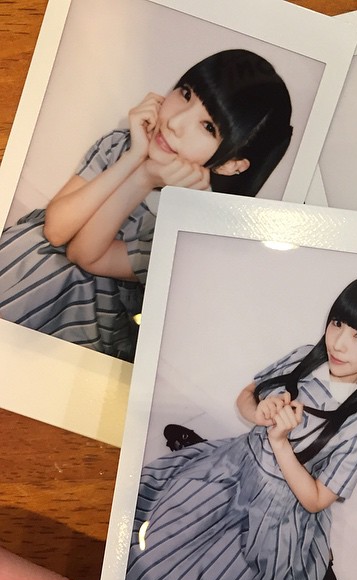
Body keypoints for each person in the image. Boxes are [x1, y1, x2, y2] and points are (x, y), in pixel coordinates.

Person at [125, 274, 357, 580]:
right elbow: (246, 396)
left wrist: (280, 444)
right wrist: (259, 414)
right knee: (151, 535)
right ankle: (203, 453)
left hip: (279, 507)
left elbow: (315, 500)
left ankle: (317, 571)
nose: (339, 343)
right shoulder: (305, 357)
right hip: (236, 463)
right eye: (338, 323)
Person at [0, 49, 293, 361]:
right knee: (33, 246)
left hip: (86, 310)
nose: (176, 122)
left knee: (56, 271)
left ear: (232, 165)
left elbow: (82, 255)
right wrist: (133, 159)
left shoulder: (195, 227)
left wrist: (142, 178)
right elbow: (56, 230)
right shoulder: (123, 144)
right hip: (30, 258)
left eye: (208, 126)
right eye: (186, 94)